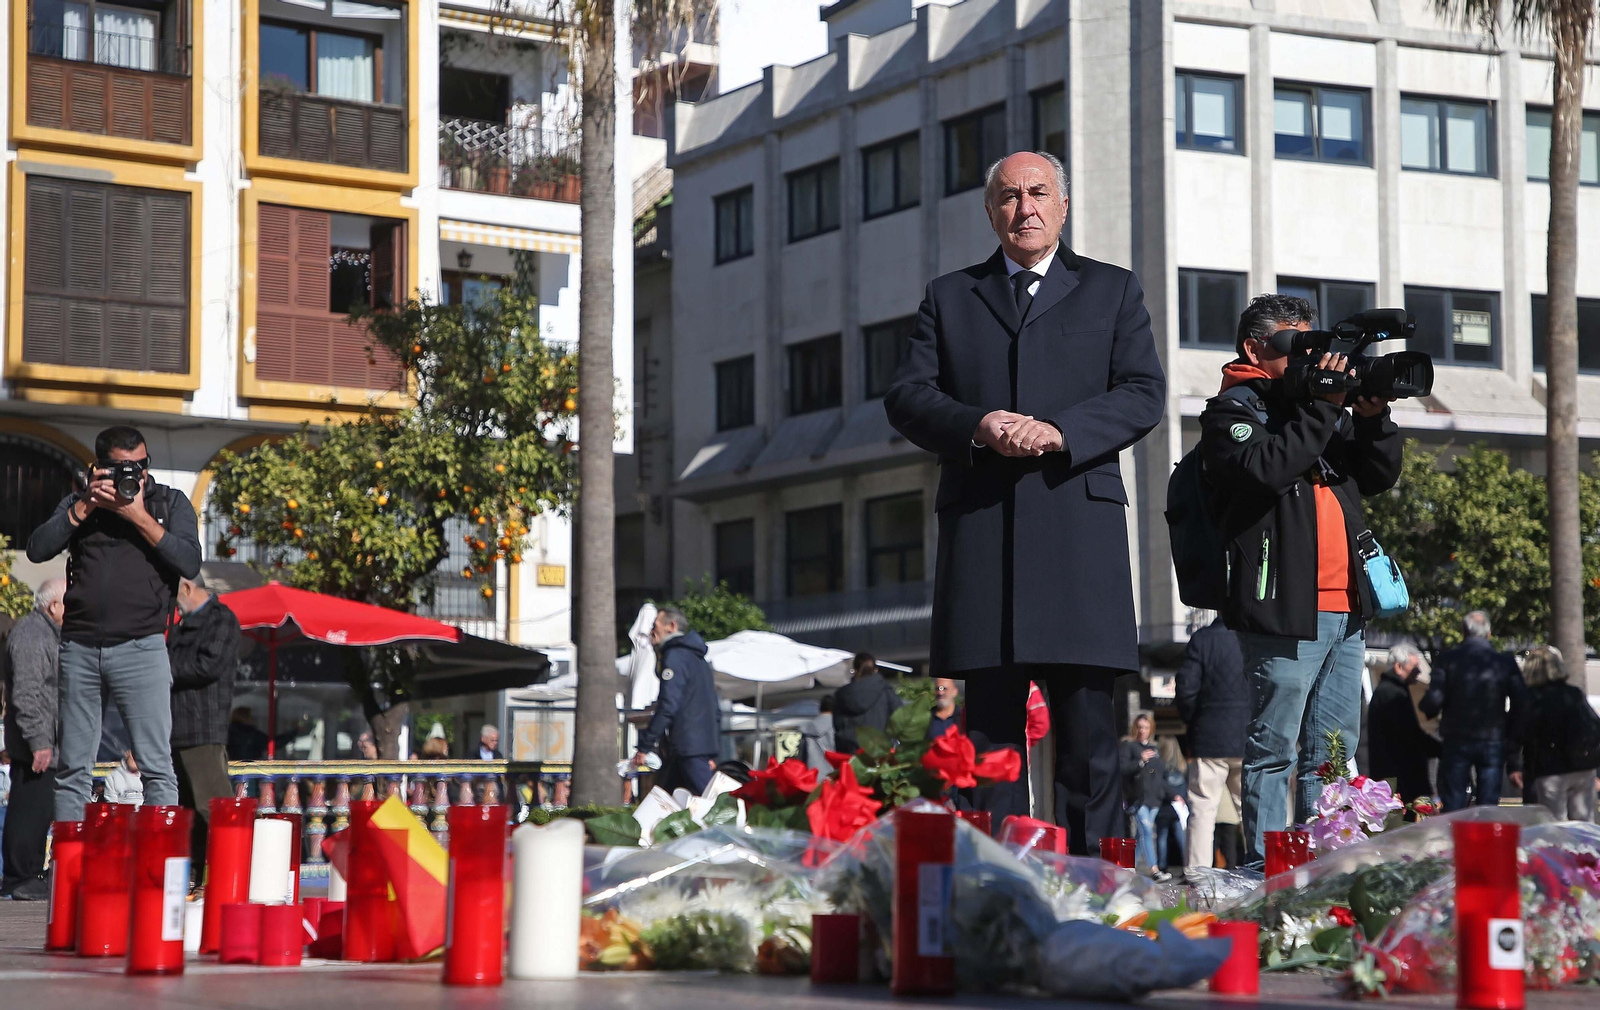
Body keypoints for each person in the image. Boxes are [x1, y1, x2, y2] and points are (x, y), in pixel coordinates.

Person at [883, 150, 1165, 853]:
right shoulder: (950, 296)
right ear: (991, 212)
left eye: (1039, 193)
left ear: (1063, 207)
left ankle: (1099, 890)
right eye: (1009, 196)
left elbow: (1142, 394)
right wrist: (980, 425)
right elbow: (909, 396)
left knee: (1090, 747)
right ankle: (998, 888)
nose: (1025, 208)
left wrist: (1061, 431)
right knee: (990, 749)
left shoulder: (1113, 291)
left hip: (1078, 537)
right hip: (986, 537)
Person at [1199, 294, 1402, 865]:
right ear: (1255, 348)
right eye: (1297, 344)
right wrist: (1323, 409)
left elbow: (1378, 474)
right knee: (1273, 751)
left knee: (1333, 755)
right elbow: (1263, 469)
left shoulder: (1313, 409)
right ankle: (1271, 873)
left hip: (1346, 609)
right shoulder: (1233, 411)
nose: (1312, 356)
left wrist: (1370, 417)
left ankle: (1327, 869)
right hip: (1284, 607)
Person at [26, 425, 202, 821]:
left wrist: (139, 516)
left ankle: (158, 874)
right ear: (99, 468)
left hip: (141, 647)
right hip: (80, 647)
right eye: (122, 469)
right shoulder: (81, 504)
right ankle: (70, 873)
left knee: (157, 768)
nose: (133, 476)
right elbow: (38, 549)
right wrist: (85, 507)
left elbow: (190, 562)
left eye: (141, 466)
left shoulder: (168, 503)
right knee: (73, 769)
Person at [167, 574, 240, 883]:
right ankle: (196, 875)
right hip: (177, 728)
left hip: (203, 728)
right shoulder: (181, 625)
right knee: (189, 811)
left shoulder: (221, 620)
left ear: (187, 587)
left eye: (175, 594)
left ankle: (229, 873)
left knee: (213, 807)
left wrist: (164, 668)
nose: (172, 604)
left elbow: (208, 666)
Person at [1420, 612, 1527, 811]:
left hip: (1456, 739)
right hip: (1492, 739)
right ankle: (1485, 839)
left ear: (1463, 632)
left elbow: (1434, 700)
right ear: (1489, 633)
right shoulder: (1504, 662)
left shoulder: (1448, 659)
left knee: (1454, 802)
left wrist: (1424, 708)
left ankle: (1455, 839)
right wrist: (1509, 732)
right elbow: (1521, 703)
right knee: (1488, 804)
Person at [1, 579, 65, 900]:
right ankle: (21, 878)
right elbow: (26, 695)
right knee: (29, 809)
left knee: (37, 810)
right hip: (37, 748)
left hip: (45, 745)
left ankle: (25, 875)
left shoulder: (44, 634)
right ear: (53, 605)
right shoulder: (32, 635)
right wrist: (39, 740)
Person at [1174, 616, 1247, 878]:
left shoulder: (1203, 640)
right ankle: (1264, 872)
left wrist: (1193, 723)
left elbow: (1186, 690)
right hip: (1249, 736)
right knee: (1251, 811)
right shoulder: (1251, 637)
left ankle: (1198, 877)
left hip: (1209, 738)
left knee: (1202, 811)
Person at [633, 607, 721, 794]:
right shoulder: (699, 660)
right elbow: (714, 706)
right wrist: (711, 750)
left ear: (671, 626)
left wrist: (645, 745)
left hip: (688, 747)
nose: (650, 632)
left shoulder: (675, 656)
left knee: (708, 804)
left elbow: (668, 704)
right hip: (694, 746)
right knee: (663, 801)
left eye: (655, 625)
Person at [1513, 646, 1598, 821]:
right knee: (1583, 823)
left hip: (1549, 768)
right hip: (1582, 766)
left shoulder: (1529, 698)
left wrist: (1513, 765)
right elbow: (1594, 726)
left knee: (1553, 825)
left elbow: (1516, 734)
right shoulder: (1573, 694)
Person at [1366, 644, 1440, 803]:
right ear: (1399, 667)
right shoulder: (1392, 694)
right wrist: (1439, 749)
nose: (1418, 672)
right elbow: (1410, 734)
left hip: (1394, 775)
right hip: (1398, 777)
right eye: (1414, 666)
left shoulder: (1391, 690)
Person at [1119, 714, 1173, 880]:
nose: (1142, 731)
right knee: (1147, 832)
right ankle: (1154, 870)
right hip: (1138, 798)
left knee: (1142, 835)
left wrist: (1172, 795)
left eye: (1146, 727)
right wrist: (1140, 761)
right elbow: (1122, 769)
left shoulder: (1155, 749)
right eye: (1140, 727)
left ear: (1151, 729)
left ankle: (1127, 869)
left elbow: (1160, 776)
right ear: (1135, 728)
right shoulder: (1128, 746)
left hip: (1154, 799)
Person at [832, 654, 903, 753]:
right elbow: (900, 718)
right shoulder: (886, 691)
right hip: (880, 751)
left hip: (850, 751)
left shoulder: (842, 695)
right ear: (875, 669)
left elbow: (838, 725)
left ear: (854, 670)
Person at [799, 696, 836, 773]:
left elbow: (801, 754)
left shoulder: (807, 728)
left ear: (820, 708)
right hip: (832, 773)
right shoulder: (836, 726)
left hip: (811, 774)